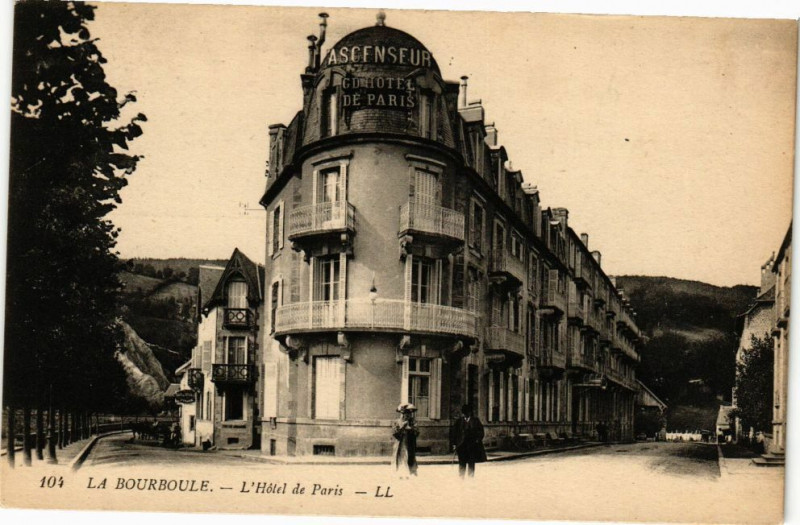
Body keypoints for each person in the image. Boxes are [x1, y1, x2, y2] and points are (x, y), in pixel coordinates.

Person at [450, 404, 487, 478]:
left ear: (470, 413)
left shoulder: (475, 421)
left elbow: (481, 432)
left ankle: (470, 478)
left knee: (471, 463)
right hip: (461, 446)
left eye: (467, 413)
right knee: (462, 463)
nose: (465, 415)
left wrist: (477, 440)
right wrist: (454, 444)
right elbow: (454, 433)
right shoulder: (459, 422)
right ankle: (461, 478)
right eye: (464, 413)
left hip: (472, 446)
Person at [391, 403, 419, 478]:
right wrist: (402, 427)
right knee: (401, 457)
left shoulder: (413, 422)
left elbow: (417, 432)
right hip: (400, 443)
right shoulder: (397, 422)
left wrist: (411, 429)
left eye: (409, 414)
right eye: (406, 414)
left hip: (409, 442)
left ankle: (410, 473)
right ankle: (400, 473)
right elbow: (394, 433)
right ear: (402, 414)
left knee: (409, 456)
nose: (408, 416)